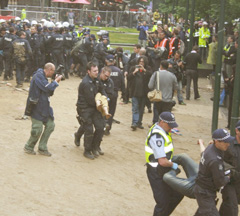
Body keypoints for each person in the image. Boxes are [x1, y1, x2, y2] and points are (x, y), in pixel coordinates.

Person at [145, 111, 184, 216]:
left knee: (177, 194)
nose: (171, 127)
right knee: (162, 202)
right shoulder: (157, 136)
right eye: (169, 125)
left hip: (163, 170)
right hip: (157, 171)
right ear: (162, 122)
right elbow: (162, 161)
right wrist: (173, 165)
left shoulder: (160, 128)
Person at [24, 63, 62, 157]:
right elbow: (47, 88)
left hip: (44, 106)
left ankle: (42, 147)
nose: (53, 73)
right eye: (53, 71)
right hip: (36, 107)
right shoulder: (38, 76)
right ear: (49, 70)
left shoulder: (43, 77)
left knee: (50, 125)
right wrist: (55, 82)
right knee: (37, 129)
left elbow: (49, 92)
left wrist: (54, 82)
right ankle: (29, 146)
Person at [194, 129, 234, 215]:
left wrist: (201, 143)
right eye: (225, 142)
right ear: (217, 141)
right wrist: (228, 177)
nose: (228, 144)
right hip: (205, 193)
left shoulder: (210, 147)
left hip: (203, 189)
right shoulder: (215, 160)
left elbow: (202, 153)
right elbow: (220, 182)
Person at [75, 62, 106, 160]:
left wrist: (105, 98)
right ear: (88, 71)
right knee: (89, 130)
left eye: (97, 70)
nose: (97, 73)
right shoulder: (85, 83)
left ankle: (95, 146)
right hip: (85, 108)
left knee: (100, 127)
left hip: (95, 107)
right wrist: (101, 104)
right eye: (94, 71)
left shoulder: (97, 80)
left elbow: (102, 90)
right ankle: (87, 150)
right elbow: (90, 100)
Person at [219, 120, 240, 216]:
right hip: (229, 182)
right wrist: (230, 171)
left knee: (227, 208)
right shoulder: (227, 143)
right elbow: (217, 159)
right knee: (232, 209)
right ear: (237, 130)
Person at [128, 56, 152, 130]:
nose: (141, 63)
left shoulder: (147, 69)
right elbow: (128, 78)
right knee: (135, 108)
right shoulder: (133, 68)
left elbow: (151, 76)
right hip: (135, 92)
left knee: (141, 109)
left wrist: (144, 70)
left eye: (142, 62)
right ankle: (134, 123)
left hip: (144, 93)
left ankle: (139, 122)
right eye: (140, 62)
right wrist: (134, 72)